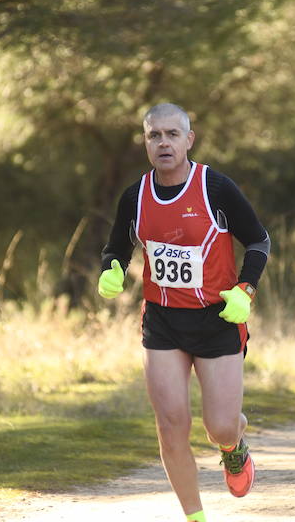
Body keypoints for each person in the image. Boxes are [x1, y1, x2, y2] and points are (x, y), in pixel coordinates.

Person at [97, 103, 270, 522]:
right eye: (154, 135)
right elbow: (116, 247)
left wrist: (245, 291)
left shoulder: (215, 187)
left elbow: (259, 241)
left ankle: (234, 446)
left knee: (220, 427)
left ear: (188, 140)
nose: (163, 143)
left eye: (172, 135)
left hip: (218, 320)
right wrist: (112, 270)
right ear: (145, 142)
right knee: (171, 425)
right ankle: (195, 516)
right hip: (163, 321)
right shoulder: (136, 196)